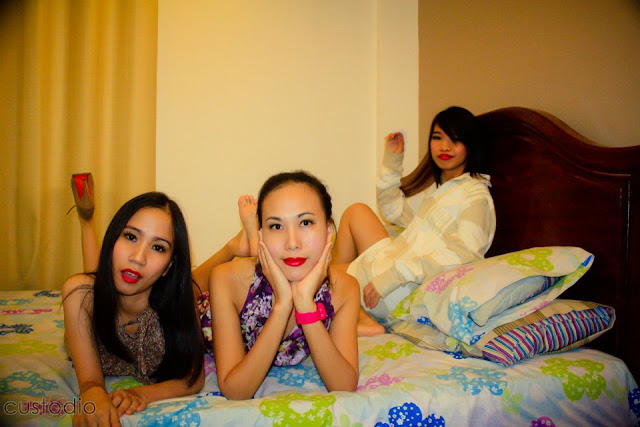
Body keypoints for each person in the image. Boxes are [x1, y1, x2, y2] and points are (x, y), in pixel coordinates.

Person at [331, 106, 496, 333]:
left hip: (401, 286)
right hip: (396, 264)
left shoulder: (475, 195)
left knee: (324, 277)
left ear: (471, 145)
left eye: (455, 140)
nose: (444, 147)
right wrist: (393, 159)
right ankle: (344, 302)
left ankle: (346, 305)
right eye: (437, 138)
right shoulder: (443, 190)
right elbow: (393, 210)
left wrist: (395, 275)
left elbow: (465, 254)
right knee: (356, 212)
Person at [207, 171, 360, 400]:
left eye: (305, 222)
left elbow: (343, 385)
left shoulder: (345, 288)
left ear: (329, 230)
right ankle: (237, 245)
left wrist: (305, 304)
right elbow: (236, 391)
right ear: (261, 235)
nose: (292, 243)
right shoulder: (227, 279)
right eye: (276, 226)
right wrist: (282, 305)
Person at [62, 192, 206, 426]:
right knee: (92, 285)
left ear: (168, 266)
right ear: (113, 239)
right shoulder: (80, 295)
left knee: (196, 284)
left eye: (158, 247)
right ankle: (86, 221)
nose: (138, 258)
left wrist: (140, 394)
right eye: (131, 236)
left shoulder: (179, 301)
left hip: (171, 292)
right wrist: (92, 392)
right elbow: (90, 384)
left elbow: (193, 378)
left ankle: (232, 247)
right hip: (96, 301)